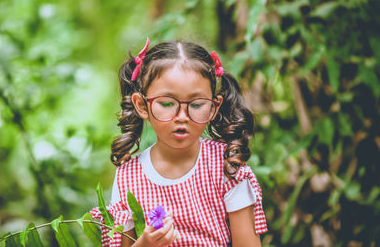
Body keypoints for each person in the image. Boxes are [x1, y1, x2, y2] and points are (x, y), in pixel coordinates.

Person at [91, 38, 268, 247]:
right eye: (167, 103)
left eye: (197, 104)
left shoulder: (227, 166)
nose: (182, 116)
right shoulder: (128, 179)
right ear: (141, 105)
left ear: (213, 107)